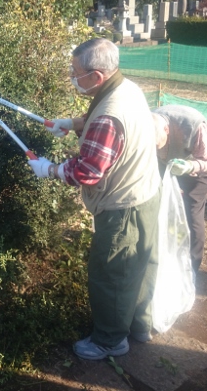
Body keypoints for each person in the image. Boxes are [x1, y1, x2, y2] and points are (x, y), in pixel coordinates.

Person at [28, 38, 161, 359]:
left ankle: (110, 340)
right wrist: (73, 124)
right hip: (145, 194)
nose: (71, 78)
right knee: (139, 266)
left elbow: (88, 171)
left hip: (123, 207)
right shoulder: (125, 88)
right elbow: (109, 130)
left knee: (112, 273)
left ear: (97, 76)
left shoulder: (108, 115)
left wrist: (50, 169)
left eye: (75, 73)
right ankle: (140, 326)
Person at [151, 105, 207, 272]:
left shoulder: (192, 125)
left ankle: (191, 266)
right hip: (166, 168)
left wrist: (189, 167)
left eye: (159, 145)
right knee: (164, 208)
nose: (158, 149)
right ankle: (168, 251)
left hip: (198, 170)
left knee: (192, 213)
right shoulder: (147, 122)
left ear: (167, 130)